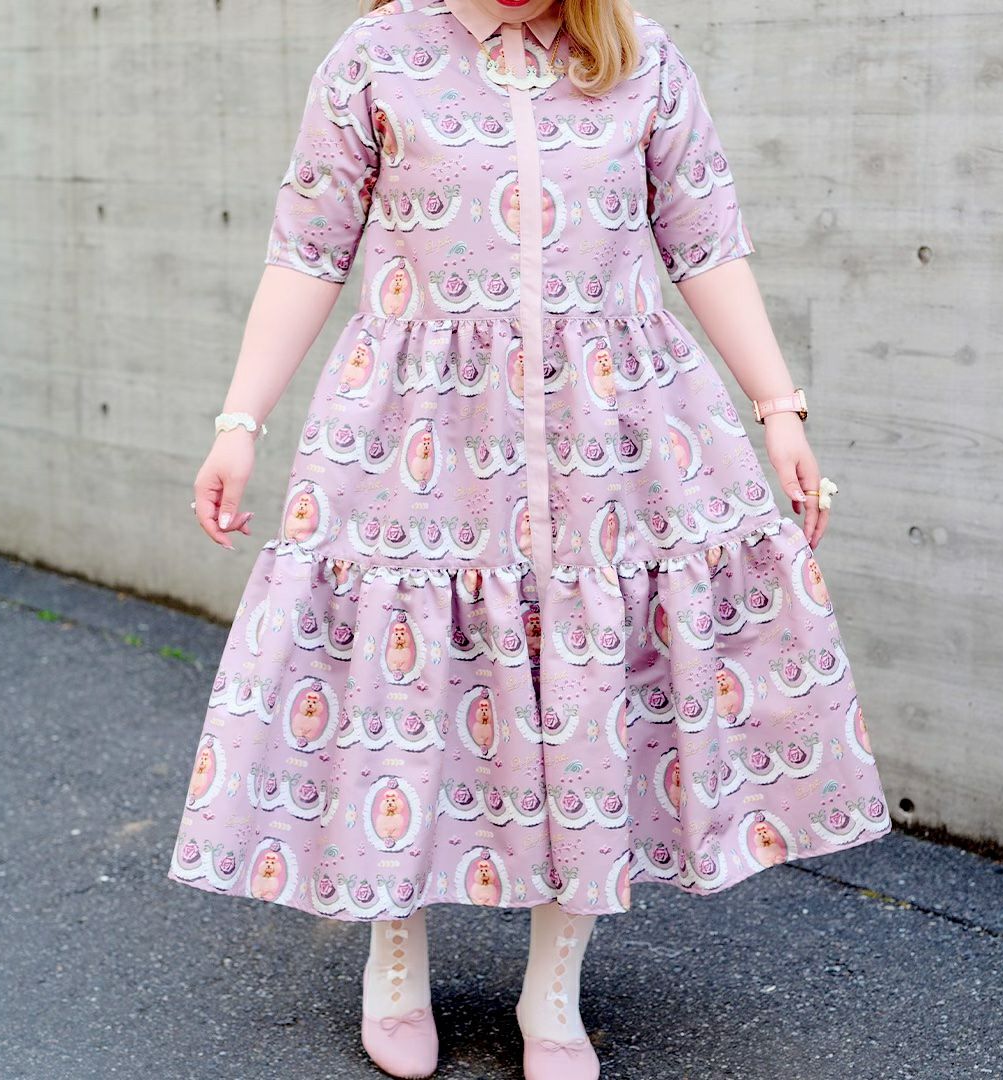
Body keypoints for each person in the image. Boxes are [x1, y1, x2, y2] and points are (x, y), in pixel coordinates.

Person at [166, 1, 892, 1077]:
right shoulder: (376, 58)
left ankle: (553, 992)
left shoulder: (639, 57)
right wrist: (240, 423)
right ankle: (394, 954)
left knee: (588, 700)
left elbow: (705, 242)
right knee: (402, 689)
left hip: (615, 437)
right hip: (417, 436)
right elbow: (307, 252)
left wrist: (778, 407)